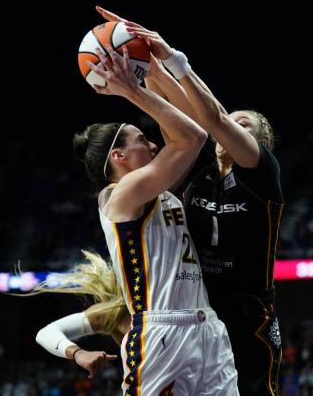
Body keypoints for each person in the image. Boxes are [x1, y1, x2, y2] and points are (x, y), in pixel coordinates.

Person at [96, 7, 285, 396]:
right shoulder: (200, 173)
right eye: (233, 121)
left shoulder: (262, 173)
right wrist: (141, 58)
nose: (232, 126)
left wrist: (172, 58)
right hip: (197, 309)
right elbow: (187, 119)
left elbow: (212, 118)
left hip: (249, 316)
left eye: (242, 124)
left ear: (258, 142)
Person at [35, 42, 238, 396]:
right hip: (161, 332)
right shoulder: (117, 197)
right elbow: (191, 136)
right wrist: (133, 90)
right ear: (118, 156)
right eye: (143, 139)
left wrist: (157, 69)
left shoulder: (162, 193)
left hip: (208, 328)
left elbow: (187, 131)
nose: (154, 145)